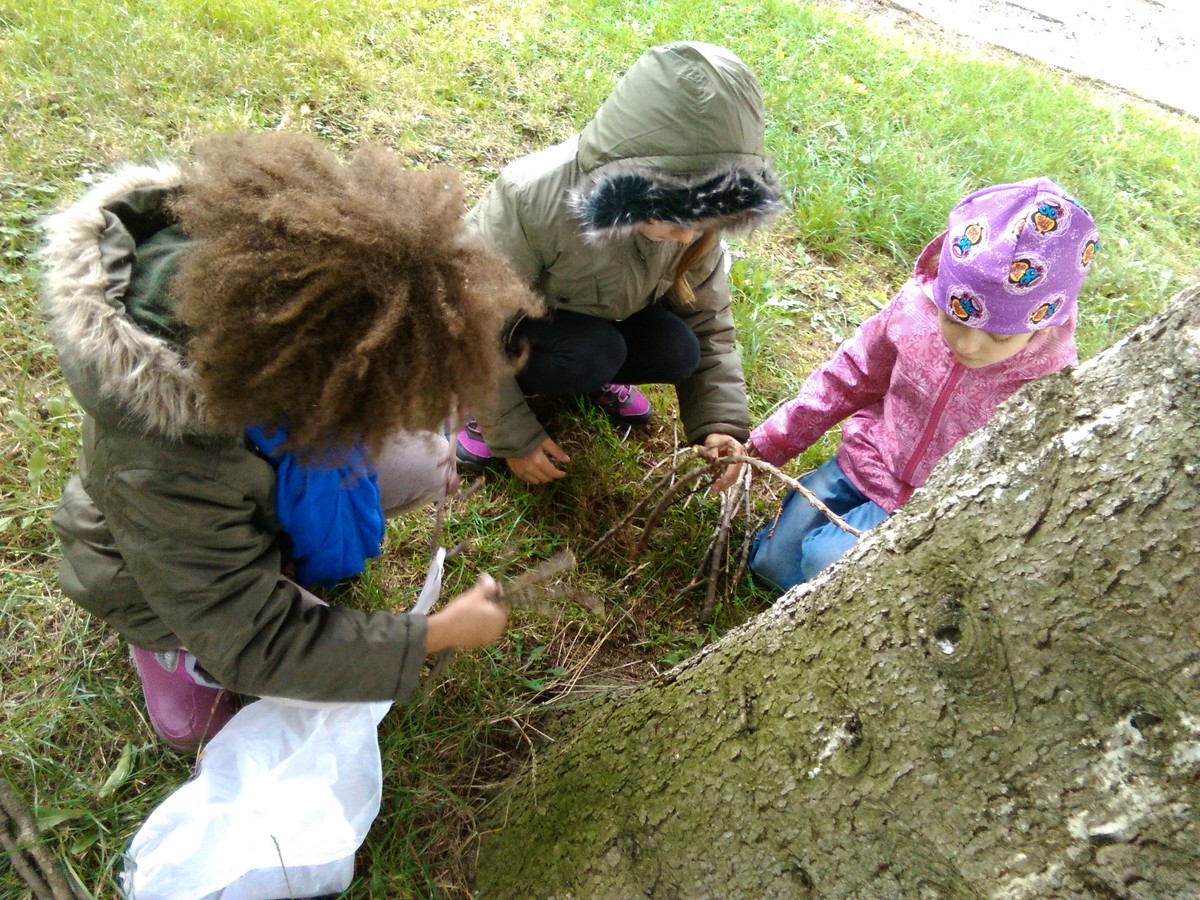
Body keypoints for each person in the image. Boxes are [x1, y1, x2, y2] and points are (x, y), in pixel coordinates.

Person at [42, 132, 539, 751]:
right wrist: (431, 636)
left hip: (243, 477)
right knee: (198, 714)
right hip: (149, 565)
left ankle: (284, 554)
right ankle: (167, 646)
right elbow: (256, 639)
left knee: (421, 461)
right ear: (306, 372)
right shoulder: (165, 466)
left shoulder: (269, 289)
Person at [730, 177, 1100, 592]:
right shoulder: (914, 311)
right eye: (953, 318)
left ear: (1043, 325)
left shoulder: (1045, 379)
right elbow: (851, 374)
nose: (968, 345)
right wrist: (770, 442)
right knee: (770, 565)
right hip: (867, 459)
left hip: (926, 504)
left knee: (821, 562)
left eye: (998, 337)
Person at [453, 41, 783, 485]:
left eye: (703, 221)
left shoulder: (695, 218)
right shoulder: (531, 198)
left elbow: (709, 323)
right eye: (676, 217)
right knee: (593, 353)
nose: (688, 237)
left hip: (598, 321)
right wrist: (511, 432)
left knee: (678, 348)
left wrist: (720, 423)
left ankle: (589, 380)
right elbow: (467, 318)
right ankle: (480, 410)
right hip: (513, 331)